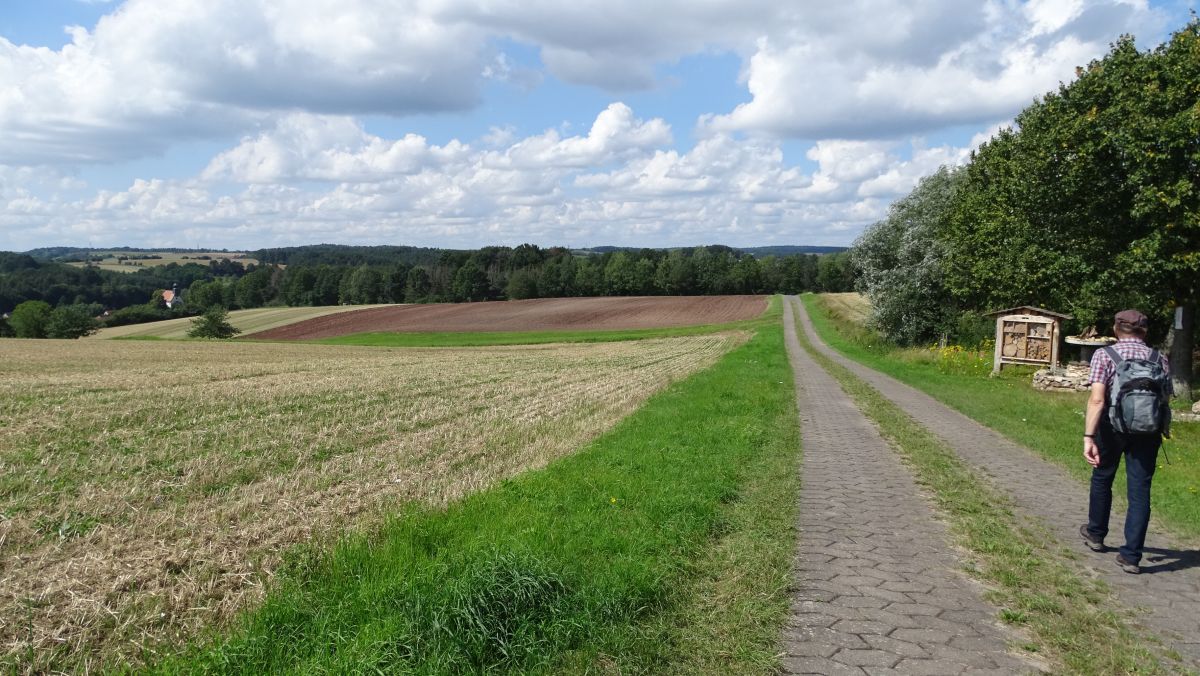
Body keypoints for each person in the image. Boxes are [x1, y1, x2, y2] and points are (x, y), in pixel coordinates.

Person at [1080, 309, 1171, 574]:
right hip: (1148, 431)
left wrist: (1089, 436)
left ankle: (1096, 534)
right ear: (1144, 331)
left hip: (1111, 427)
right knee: (1140, 491)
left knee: (1102, 476)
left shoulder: (1105, 355)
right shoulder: (1159, 358)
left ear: (1115, 329)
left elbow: (1097, 399)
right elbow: (1165, 399)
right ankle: (1131, 556)